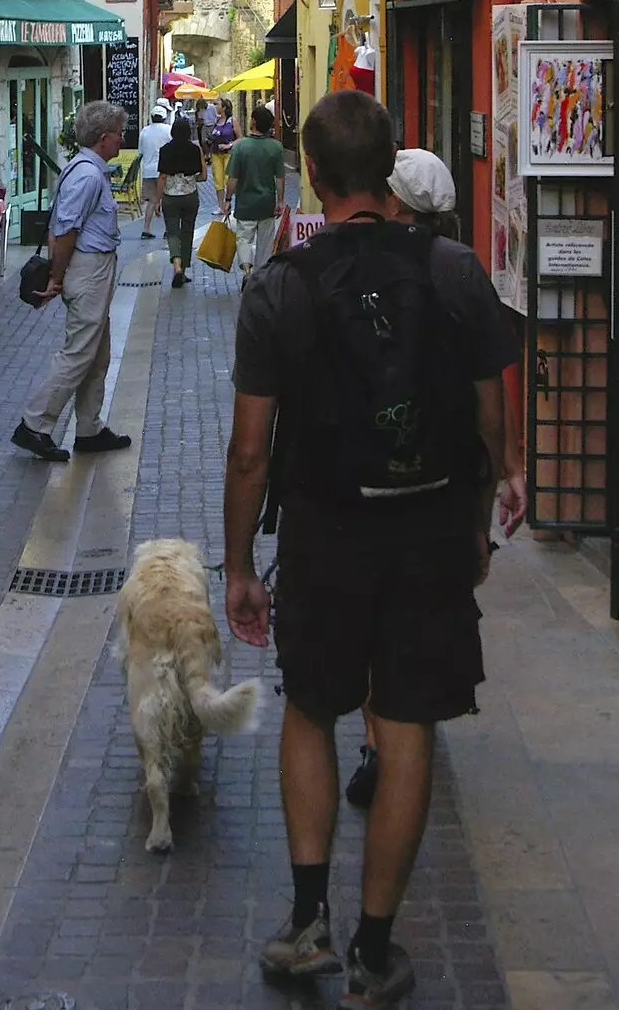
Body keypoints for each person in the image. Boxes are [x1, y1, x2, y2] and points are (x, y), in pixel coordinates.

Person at [223, 91, 526, 1005]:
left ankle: (307, 919)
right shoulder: (456, 272)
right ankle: (375, 946)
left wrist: (239, 564)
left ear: (310, 173)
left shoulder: (280, 286)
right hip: (429, 530)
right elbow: (488, 410)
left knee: (312, 712)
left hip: (323, 532)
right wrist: (487, 503)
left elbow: (249, 449)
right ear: (390, 168)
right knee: (404, 730)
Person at [343, 147, 527, 814]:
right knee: (420, 614)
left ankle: (375, 740)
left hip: (371, 479)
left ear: (395, 204)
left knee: (372, 619)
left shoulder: (358, 265)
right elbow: (489, 396)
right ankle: (407, 732)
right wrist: (505, 471)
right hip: (446, 485)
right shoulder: (463, 269)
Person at [12, 101, 132, 464]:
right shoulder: (88, 175)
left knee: (97, 351)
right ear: (104, 138)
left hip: (92, 268)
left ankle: (89, 427)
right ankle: (35, 424)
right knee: (79, 351)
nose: (122, 140)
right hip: (88, 269)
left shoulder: (85, 169)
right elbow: (65, 229)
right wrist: (57, 277)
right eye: (119, 134)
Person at [224, 104, 286, 283]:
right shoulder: (276, 147)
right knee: (265, 243)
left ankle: (246, 271)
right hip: (267, 203)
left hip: (245, 203)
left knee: (244, 238)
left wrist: (228, 199)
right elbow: (280, 178)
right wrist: (280, 201)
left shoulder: (240, 147)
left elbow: (233, 178)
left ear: (253, 122)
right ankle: (261, 277)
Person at [154, 116, 206, 290]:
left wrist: (157, 200)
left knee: (173, 231)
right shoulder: (195, 149)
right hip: (190, 196)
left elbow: (161, 177)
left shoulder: (165, 150)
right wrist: (189, 179)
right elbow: (204, 176)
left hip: (170, 197)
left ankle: (176, 265)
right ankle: (182, 271)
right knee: (187, 232)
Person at [136, 104, 173, 240]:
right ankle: (168, 230)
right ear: (164, 118)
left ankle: (146, 229)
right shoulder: (168, 130)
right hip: (165, 170)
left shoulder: (144, 131)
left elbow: (140, 151)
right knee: (167, 201)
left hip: (148, 171)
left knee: (151, 201)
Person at [208, 98, 238, 214]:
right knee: (218, 180)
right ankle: (220, 207)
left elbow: (240, 138)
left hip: (228, 154)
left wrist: (228, 145)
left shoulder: (232, 121)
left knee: (229, 180)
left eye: (218, 104)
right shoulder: (217, 120)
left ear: (224, 107)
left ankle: (229, 204)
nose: (215, 106)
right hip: (215, 153)